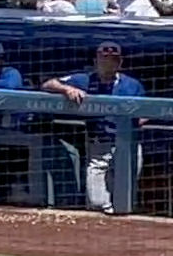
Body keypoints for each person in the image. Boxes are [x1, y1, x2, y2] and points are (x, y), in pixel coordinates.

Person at [43, 40, 143, 213]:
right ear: (96, 61)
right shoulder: (84, 79)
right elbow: (48, 84)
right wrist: (67, 89)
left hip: (127, 145)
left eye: (112, 59)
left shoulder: (132, 85)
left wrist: (133, 125)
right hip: (99, 146)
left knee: (123, 199)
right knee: (97, 202)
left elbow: (147, 113)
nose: (108, 62)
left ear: (120, 62)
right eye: (104, 58)